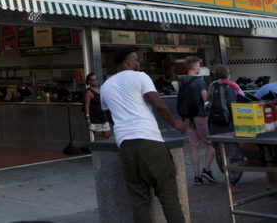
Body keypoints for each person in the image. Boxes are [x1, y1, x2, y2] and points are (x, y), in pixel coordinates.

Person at [100, 47, 188, 223]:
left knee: (139, 200)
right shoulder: (140, 77)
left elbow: (110, 115)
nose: (139, 63)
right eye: (136, 59)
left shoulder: (105, 86)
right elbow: (157, 103)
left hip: (126, 147)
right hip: (150, 143)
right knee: (168, 196)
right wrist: (175, 123)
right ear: (128, 62)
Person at [177, 56, 217, 186]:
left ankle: (197, 176)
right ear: (194, 67)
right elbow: (206, 101)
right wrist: (210, 93)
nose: (200, 68)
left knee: (194, 146)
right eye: (199, 65)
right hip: (200, 117)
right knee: (212, 144)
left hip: (188, 119)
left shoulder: (182, 81)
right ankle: (206, 169)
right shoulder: (199, 81)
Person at [207, 65, 244, 193]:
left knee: (220, 153)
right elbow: (242, 100)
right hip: (229, 124)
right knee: (233, 153)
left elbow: (207, 101)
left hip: (214, 125)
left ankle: (227, 178)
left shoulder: (212, 86)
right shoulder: (233, 86)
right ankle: (232, 183)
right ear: (227, 74)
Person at [83, 73, 111, 141]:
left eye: (96, 80)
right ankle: (98, 148)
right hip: (94, 117)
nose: (95, 81)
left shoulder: (100, 89)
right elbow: (87, 105)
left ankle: (101, 146)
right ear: (89, 81)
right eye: (93, 80)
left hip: (102, 115)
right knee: (97, 135)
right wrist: (88, 118)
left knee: (107, 133)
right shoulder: (89, 92)